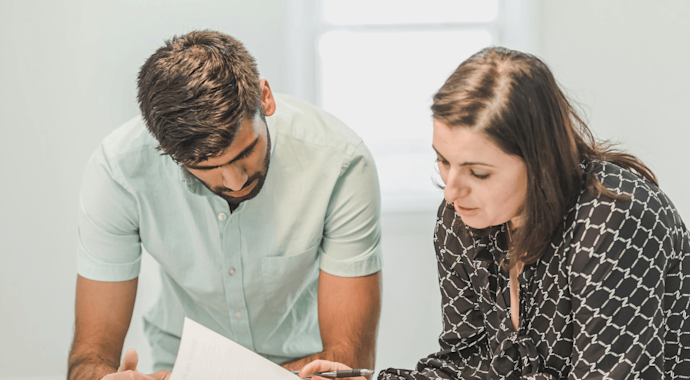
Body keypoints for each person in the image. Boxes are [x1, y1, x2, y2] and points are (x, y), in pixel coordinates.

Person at [299, 47, 690, 379]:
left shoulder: (615, 219)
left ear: (540, 161)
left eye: (478, 172)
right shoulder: (461, 220)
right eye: (443, 161)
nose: (451, 190)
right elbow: (467, 363)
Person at [67, 30, 383, 380]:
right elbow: (88, 358)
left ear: (265, 99)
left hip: (306, 367)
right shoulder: (118, 172)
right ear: (165, 149)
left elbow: (347, 359)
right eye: (207, 169)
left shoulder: (341, 162)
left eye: (246, 152)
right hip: (176, 362)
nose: (235, 182)